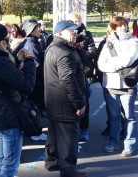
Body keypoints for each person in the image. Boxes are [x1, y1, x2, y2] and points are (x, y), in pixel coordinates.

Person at [0, 22, 36, 177]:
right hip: (8, 113)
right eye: (7, 37)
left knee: (1, 157)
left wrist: (16, 60)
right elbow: (27, 86)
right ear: (1, 41)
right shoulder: (0, 61)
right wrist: (29, 62)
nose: (9, 40)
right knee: (10, 162)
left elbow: (1, 77)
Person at [44, 20, 86, 177]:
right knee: (68, 139)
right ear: (60, 33)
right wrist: (79, 103)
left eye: (75, 31)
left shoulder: (54, 47)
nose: (75, 33)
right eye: (71, 31)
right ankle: (68, 171)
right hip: (65, 103)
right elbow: (68, 79)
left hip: (55, 101)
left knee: (54, 134)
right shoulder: (63, 52)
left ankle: (52, 162)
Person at [97, 16, 138, 157]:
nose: (123, 27)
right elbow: (101, 64)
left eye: (125, 25)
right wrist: (115, 64)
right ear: (114, 27)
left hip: (128, 84)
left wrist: (114, 62)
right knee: (114, 116)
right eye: (120, 25)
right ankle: (113, 142)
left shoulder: (134, 41)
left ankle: (129, 144)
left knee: (129, 116)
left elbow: (128, 60)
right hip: (111, 84)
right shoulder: (108, 43)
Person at [67, 13, 98, 142]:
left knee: (84, 102)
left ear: (80, 22)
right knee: (70, 101)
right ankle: (72, 128)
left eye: (76, 21)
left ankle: (84, 129)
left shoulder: (86, 34)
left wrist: (80, 51)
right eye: (71, 21)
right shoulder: (66, 34)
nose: (74, 23)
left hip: (84, 72)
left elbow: (93, 52)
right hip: (69, 72)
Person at [22, 19, 47, 141]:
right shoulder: (30, 43)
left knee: (36, 108)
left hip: (36, 80)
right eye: (36, 27)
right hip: (36, 81)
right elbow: (37, 65)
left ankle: (36, 130)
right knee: (34, 108)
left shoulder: (35, 42)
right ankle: (35, 132)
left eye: (38, 27)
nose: (39, 29)